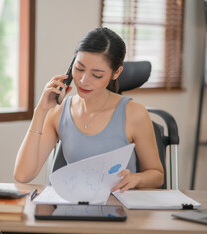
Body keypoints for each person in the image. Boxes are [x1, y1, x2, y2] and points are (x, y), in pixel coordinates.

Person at [14, 27, 164, 194]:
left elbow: (157, 176)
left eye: (97, 75)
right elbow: (23, 175)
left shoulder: (134, 113)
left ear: (116, 73)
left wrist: (137, 179)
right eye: (79, 68)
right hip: (72, 209)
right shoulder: (58, 111)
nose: (84, 81)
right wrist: (40, 111)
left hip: (119, 208)